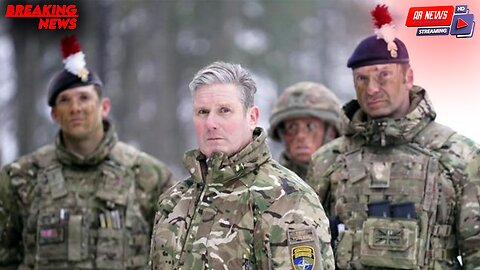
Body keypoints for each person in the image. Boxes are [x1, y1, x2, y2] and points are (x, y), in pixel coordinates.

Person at [306, 5, 480, 269]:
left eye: (383, 75)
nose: (372, 88)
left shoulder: (458, 155)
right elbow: (308, 246)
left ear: (408, 77)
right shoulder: (328, 160)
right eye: (361, 79)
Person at [0, 35, 176, 269]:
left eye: (84, 97)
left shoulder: (149, 175)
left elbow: (172, 255)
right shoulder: (20, 177)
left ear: (104, 107)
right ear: (54, 114)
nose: (75, 108)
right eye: (65, 100)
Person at [149, 61, 334, 270]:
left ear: (252, 117)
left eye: (224, 110)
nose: (211, 123)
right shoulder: (174, 201)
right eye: (202, 112)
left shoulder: (288, 199)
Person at [269, 81, 344, 179]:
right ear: (282, 134)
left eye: (311, 126)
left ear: (331, 133)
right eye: (291, 127)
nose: (300, 136)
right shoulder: (270, 184)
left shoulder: (351, 180)